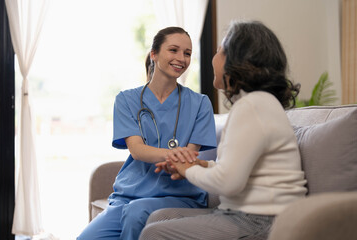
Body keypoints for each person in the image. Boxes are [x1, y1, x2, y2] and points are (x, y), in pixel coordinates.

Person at [139, 20, 308, 240]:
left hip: (265, 219)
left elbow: (228, 183)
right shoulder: (256, 103)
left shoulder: (252, 106)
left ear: (237, 60)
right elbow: (238, 170)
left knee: (154, 233)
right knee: (159, 217)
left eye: (219, 51)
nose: (213, 59)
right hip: (246, 214)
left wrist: (187, 169)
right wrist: (202, 164)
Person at [77, 27, 217, 240]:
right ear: (154, 54)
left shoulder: (200, 104)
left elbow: (189, 157)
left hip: (180, 195)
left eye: (187, 53)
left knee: (137, 214)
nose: (181, 58)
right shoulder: (126, 100)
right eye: (173, 50)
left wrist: (178, 158)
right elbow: (137, 150)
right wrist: (174, 155)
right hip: (129, 196)